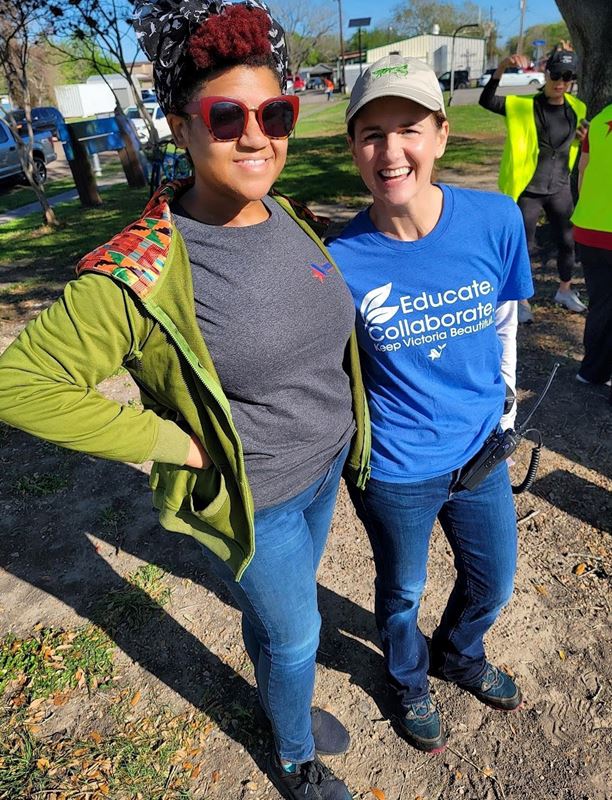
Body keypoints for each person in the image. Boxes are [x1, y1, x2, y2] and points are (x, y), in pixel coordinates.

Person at [0, 2, 371, 798]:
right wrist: (177, 444)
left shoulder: (285, 211)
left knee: (282, 620)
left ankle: (284, 700)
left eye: (274, 112)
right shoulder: (146, 266)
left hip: (321, 468)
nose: (255, 135)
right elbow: (18, 385)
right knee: (300, 629)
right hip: (256, 495)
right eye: (226, 115)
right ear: (180, 124)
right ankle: (297, 753)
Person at [327, 54, 534, 754]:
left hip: (480, 452)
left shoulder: (496, 220)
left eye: (409, 128)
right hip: (396, 469)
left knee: (494, 581)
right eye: (371, 134)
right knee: (402, 593)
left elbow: (507, 320)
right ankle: (409, 678)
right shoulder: (339, 260)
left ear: (441, 135)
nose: (392, 151)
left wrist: (503, 416)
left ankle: (460, 653)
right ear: (354, 148)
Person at [479, 47, 587, 323]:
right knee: (524, 247)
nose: (560, 81)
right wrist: (502, 67)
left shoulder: (577, 108)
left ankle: (564, 290)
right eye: (555, 74)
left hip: (560, 186)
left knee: (567, 241)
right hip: (529, 189)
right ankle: (522, 300)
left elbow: (574, 141)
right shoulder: (522, 105)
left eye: (567, 76)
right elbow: (486, 100)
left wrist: (581, 138)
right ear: (545, 73)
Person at [571, 100, 612, 402]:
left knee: (601, 302)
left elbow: (583, 172)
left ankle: (591, 371)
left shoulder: (600, 119)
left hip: (590, 227)